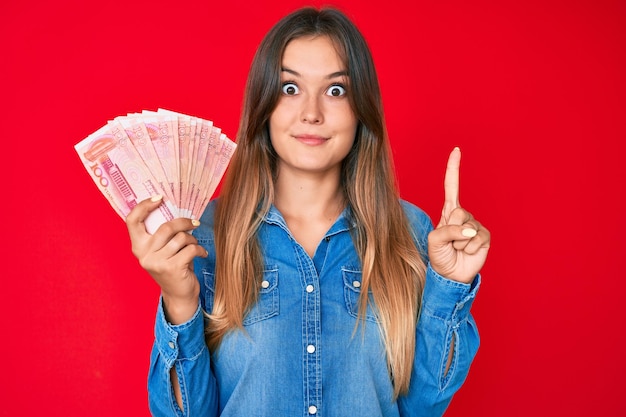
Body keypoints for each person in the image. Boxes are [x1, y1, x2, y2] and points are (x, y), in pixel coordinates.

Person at [126, 6, 490, 417]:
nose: (312, 113)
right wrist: (179, 300)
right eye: (290, 89)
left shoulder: (410, 233)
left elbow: (422, 407)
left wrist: (451, 286)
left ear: (360, 109)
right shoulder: (206, 236)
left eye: (336, 91)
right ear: (265, 104)